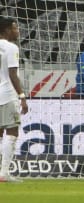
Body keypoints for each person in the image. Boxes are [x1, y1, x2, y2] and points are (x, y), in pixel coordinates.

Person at [0, 16, 28, 182]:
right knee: (12, 132)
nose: (17, 31)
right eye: (15, 28)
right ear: (6, 30)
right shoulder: (11, 48)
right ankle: (4, 173)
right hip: (8, 95)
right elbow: (12, 74)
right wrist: (22, 96)